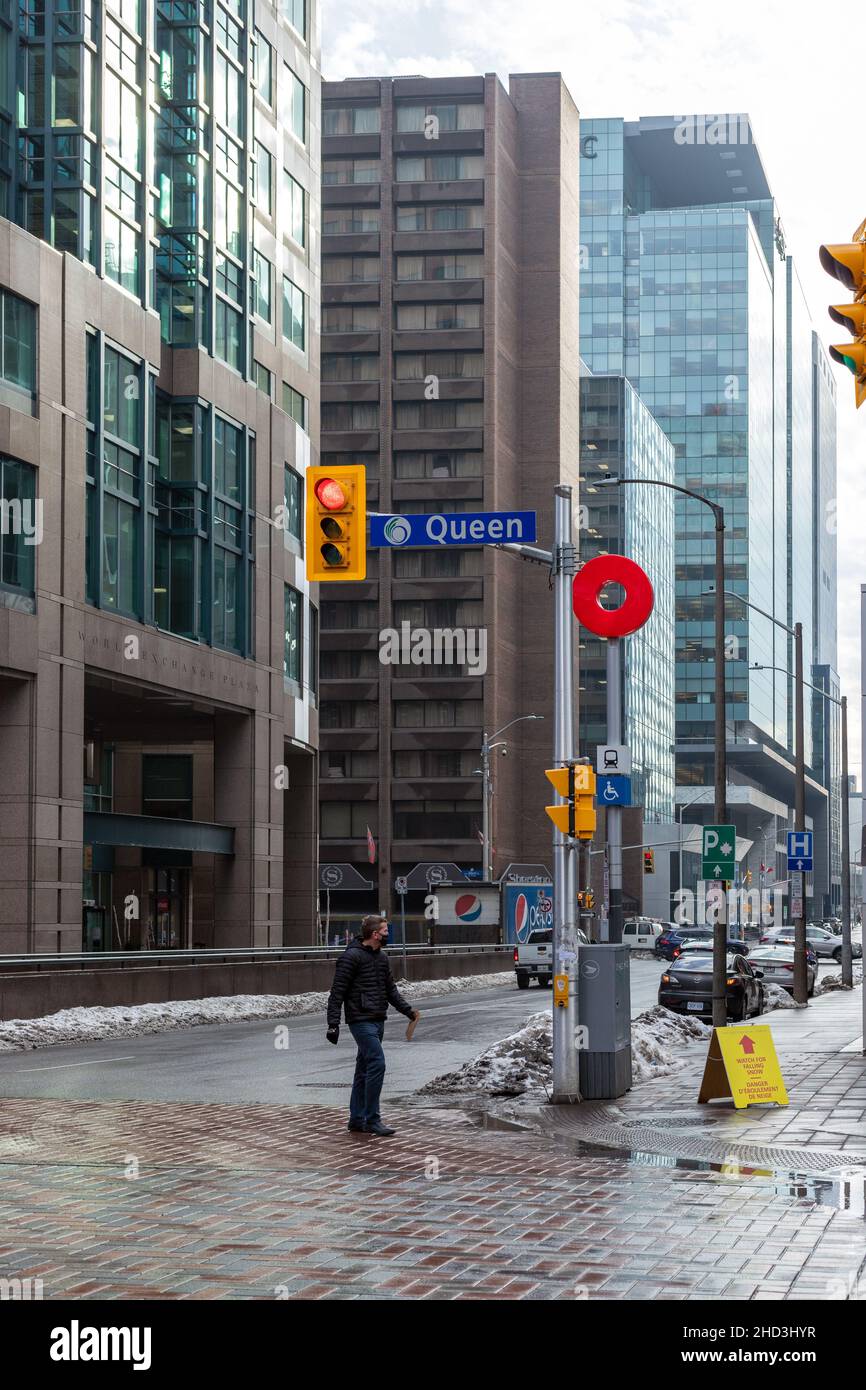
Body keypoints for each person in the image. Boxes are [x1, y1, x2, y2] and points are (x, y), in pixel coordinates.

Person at [326, 914, 418, 1136]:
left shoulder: (382, 958)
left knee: (364, 1069)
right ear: (375, 934)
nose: (388, 935)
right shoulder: (351, 958)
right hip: (360, 1020)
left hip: (378, 1018)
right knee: (377, 1063)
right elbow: (337, 992)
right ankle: (372, 1119)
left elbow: (390, 990)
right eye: (385, 931)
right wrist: (333, 1024)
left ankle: (356, 1119)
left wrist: (408, 1011)